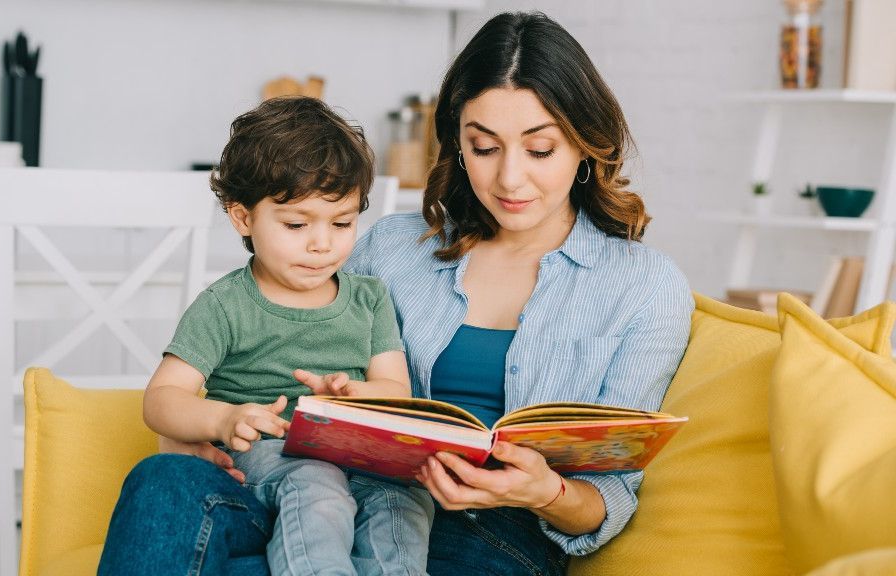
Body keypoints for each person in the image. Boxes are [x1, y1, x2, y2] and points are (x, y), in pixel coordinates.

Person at [99, 11, 693, 576]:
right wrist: (199, 431)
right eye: (483, 147)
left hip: (485, 528)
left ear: (586, 144)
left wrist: (546, 491)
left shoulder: (643, 287)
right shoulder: (391, 247)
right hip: (316, 487)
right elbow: (276, 342)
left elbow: (610, 495)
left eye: (540, 150)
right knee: (161, 482)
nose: (510, 178)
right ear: (456, 145)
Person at [107, 96, 434, 576]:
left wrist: (355, 393)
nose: (322, 243)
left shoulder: (369, 299)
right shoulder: (225, 304)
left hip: (357, 455)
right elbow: (161, 399)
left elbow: (395, 391)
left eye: (342, 223)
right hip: (270, 451)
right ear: (243, 218)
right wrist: (223, 419)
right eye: (297, 224)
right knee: (315, 484)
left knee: (401, 503)